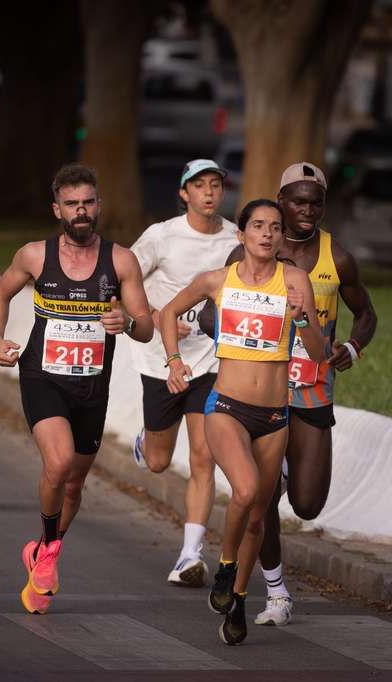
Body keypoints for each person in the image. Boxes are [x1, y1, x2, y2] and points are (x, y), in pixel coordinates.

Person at [204, 163, 378, 627]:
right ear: (280, 202)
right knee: (260, 499)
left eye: (315, 202)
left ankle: (281, 470)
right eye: (297, 202)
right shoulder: (250, 254)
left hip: (312, 392)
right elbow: (208, 313)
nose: (307, 211)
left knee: (306, 503)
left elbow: (367, 313)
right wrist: (235, 329)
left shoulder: (336, 257)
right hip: (259, 394)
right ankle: (276, 591)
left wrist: (353, 347)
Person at [0, 164, 153, 614]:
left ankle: (44, 551)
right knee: (58, 464)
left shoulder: (120, 261)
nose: (82, 212)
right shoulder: (34, 256)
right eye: (73, 204)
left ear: (99, 204)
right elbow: (0, 295)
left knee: (76, 485)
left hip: (91, 388)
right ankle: (48, 550)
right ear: (56, 208)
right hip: (42, 377)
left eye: (89, 203)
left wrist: (128, 323)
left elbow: (147, 326)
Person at [160, 199, 326, 645]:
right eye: (257, 226)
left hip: (275, 415)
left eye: (274, 227)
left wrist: (301, 318)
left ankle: (235, 600)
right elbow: (168, 313)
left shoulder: (295, 281)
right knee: (248, 491)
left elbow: (318, 350)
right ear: (242, 235)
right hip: (227, 407)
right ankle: (228, 564)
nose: (267, 234)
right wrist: (174, 361)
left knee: (257, 517)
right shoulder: (219, 280)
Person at [129, 160, 238, 587]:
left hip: (211, 360)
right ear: (184, 193)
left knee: (203, 456)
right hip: (160, 358)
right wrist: (156, 317)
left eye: (215, 185)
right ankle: (146, 439)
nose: (209, 192)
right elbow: (125, 279)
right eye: (200, 186)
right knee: (158, 462)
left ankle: (189, 556)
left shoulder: (235, 238)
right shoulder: (162, 236)